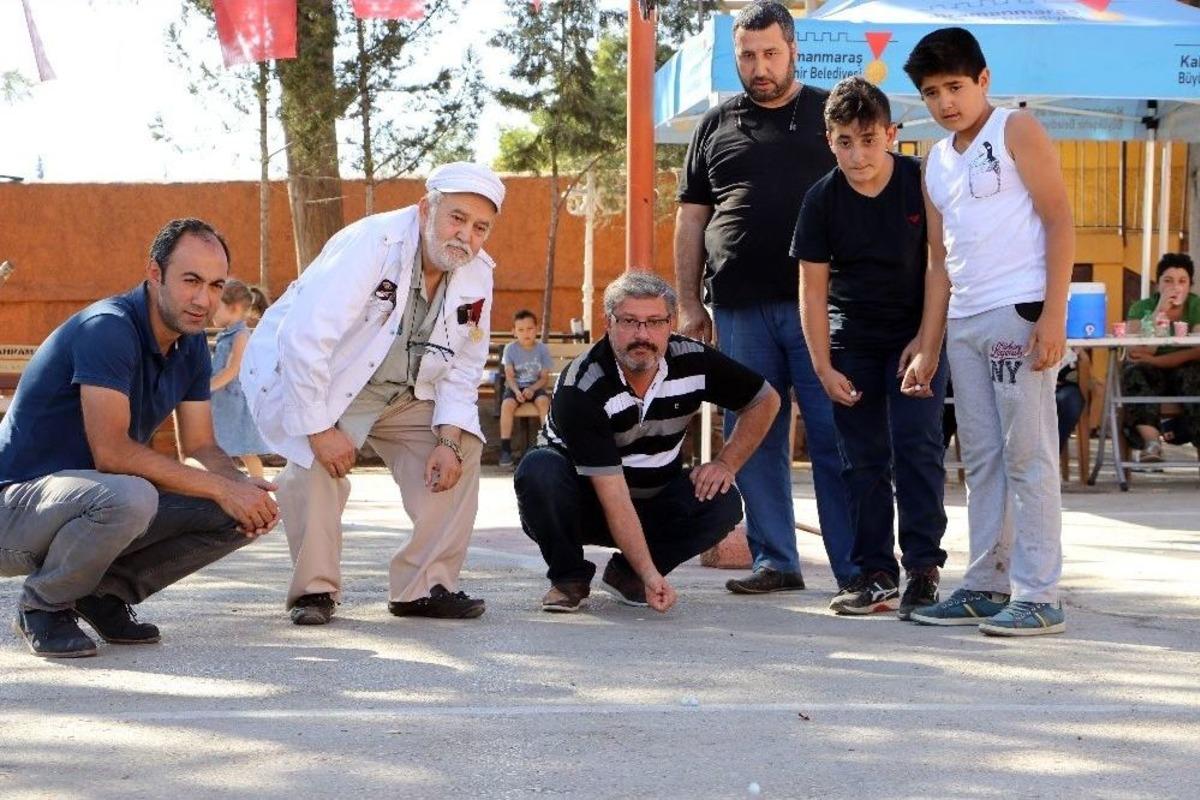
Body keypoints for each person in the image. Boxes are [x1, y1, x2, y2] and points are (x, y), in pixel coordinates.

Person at [0, 218, 279, 658]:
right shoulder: (108, 328)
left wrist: (242, 489)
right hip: (14, 509)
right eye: (190, 281)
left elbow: (202, 445)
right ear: (155, 273)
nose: (203, 299)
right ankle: (44, 605)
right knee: (131, 495)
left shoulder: (188, 344)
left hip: (87, 503)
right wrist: (224, 488)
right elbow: (111, 453)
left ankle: (103, 593)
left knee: (236, 514)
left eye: (215, 285)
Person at [241, 162, 505, 626]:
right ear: (426, 210)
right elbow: (306, 339)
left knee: (462, 445)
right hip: (334, 382)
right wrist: (321, 429)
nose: (465, 235)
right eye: (457, 218)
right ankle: (314, 592)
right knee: (312, 465)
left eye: (480, 227)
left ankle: (423, 587)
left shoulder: (478, 274)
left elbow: (463, 367)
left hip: (405, 392)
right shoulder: (371, 243)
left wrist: (446, 441)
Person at [673, 0, 855, 596]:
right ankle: (776, 559)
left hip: (821, 310)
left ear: (794, 50)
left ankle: (857, 564)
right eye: (747, 55)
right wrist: (688, 303)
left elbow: (867, 196)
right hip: (738, 307)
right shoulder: (715, 125)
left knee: (834, 435)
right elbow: (691, 220)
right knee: (753, 434)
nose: (760, 66)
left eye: (770, 52)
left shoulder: (831, 118)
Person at [902, 27, 1074, 636]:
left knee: (1028, 454)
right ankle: (983, 584)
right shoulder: (937, 162)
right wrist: (928, 344)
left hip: (1019, 311)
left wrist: (1054, 314)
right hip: (965, 322)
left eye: (955, 86)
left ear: (983, 80)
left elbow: (1059, 219)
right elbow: (938, 263)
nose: (946, 101)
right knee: (979, 459)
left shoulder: (1016, 130)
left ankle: (1039, 593)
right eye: (931, 93)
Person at [514, 272, 780, 614]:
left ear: (671, 324)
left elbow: (765, 399)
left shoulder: (694, 361)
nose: (643, 335)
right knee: (539, 470)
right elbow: (613, 495)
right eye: (629, 322)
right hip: (583, 504)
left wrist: (726, 463)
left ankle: (626, 576)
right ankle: (568, 578)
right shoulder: (582, 386)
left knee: (722, 499)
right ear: (608, 323)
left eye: (654, 322)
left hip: (653, 501)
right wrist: (654, 575)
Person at [793, 77, 949, 620]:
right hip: (852, 342)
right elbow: (811, 291)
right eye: (844, 142)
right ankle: (875, 573)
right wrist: (822, 366)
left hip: (915, 336)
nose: (857, 155)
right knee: (860, 462)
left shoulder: (922, 181)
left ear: (891, 134)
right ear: (828, 140)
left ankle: (924, 569)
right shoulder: (821, 200)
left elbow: (940, 266)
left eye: (867, 139)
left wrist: (928, 344)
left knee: (917, 448)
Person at [1122, 253, 1200, 462]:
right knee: (1134, 373)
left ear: (1190, 286)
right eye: (1168, 281)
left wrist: (1154, 360)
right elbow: (1136, 352)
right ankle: (1152, 443)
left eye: (1182, 281)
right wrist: (1159, 313)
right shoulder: (1141, 308)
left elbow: (1197, 350)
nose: (1175, 287)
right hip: (1150, 375)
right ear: (1158, 285)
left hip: (1185, 373)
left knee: (1194, 373)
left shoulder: (1196, 306)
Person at [210, 279, 271, 479]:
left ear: (234, 308)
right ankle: (226, 486)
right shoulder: (226, 335)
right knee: (221, 448)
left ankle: (260, 487)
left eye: (216, 307)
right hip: (222, 401)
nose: (212, 312)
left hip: (232, 402)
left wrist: (207, 387)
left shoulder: (241, 336)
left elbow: (233, 369)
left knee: (244, 448)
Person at [498, 309, 552, 468]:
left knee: (543, 401)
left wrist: (532, 389)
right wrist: (516, 391)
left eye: (530, 329)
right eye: (520, 330)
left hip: (535, 386)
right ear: (513, 332)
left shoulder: (542, 349)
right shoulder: (510, 349)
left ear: (536, 329)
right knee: (507, 405)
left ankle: (546, 443)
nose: (526, 333)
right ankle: (505, 449)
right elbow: (509, 376)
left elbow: (544, 378)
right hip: (516, 387)